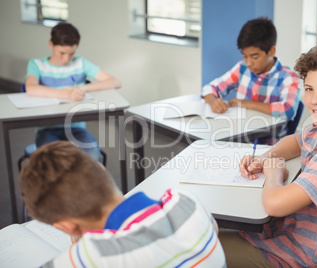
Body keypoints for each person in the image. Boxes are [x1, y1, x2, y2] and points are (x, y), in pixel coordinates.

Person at [219, 44, 317, 267]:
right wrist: (265, 158)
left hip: (294, 253)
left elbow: (274, 205)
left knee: (195, 248)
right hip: (282, 229)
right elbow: (295, 141)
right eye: (310, 88)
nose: (314, 100)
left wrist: (274, 173)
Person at [18, 141, 226, 267]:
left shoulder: (92, 256)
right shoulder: (186, 201)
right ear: (101, 168)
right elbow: (212, 229)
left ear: (66, 226)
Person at [24, 22, 121, 162]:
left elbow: (115, 82)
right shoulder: (37, 64)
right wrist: (67, 94)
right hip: (47, 130)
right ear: (51, 45)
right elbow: (31, 88)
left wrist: (82, 88)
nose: (66, 59)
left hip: (76, 129)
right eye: (61, 53)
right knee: (52, 163)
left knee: (93, 158)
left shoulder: (80, 63)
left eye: (71, 54)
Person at [201, 17, 300, 144]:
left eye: (254, 57)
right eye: (245, 56)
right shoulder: (242, 68)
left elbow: (288, 110)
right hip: (238, 140)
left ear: (271, 51)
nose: (248, 63)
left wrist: (245, 103)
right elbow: (209, 88)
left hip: (269, 147)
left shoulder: (288, 77)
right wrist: (213, 101)